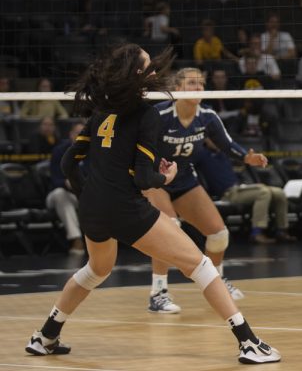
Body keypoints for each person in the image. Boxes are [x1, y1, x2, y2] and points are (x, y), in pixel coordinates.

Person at [24, 44, 279, 364]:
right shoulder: (147, 114)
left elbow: (67, 164)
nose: (156, 72)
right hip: (125, 208)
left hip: (92, 207)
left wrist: (89, 193)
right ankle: (249, 343)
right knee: (199, 265)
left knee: (95, 270)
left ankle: (45, 336)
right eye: (150, 66)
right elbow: (145, 178)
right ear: (137, 74)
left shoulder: (102, 110)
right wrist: (168, 178)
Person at [143, 68, 270, 314]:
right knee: (169, 227)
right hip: (154, 178)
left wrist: (248, 158)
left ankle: (215, 281)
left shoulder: (208, 117)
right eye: (192, 83)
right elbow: (139, 144)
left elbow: (227, 145)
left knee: (219, 235)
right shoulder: (159, 114)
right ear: (177, 89)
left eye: (202, 84)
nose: (198, 88)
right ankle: (158, 293)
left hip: (183, 178)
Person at [47, 122, 86, 254]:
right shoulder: (59, 151)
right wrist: (66, 183)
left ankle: (108, 240)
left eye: (83, 133)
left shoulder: (93, 151)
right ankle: (76, 239)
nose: (80, 136)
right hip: (59, 193)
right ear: (70, 134)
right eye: (77, 133)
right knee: (60, 195)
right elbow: (54, 179)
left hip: (83, 195)